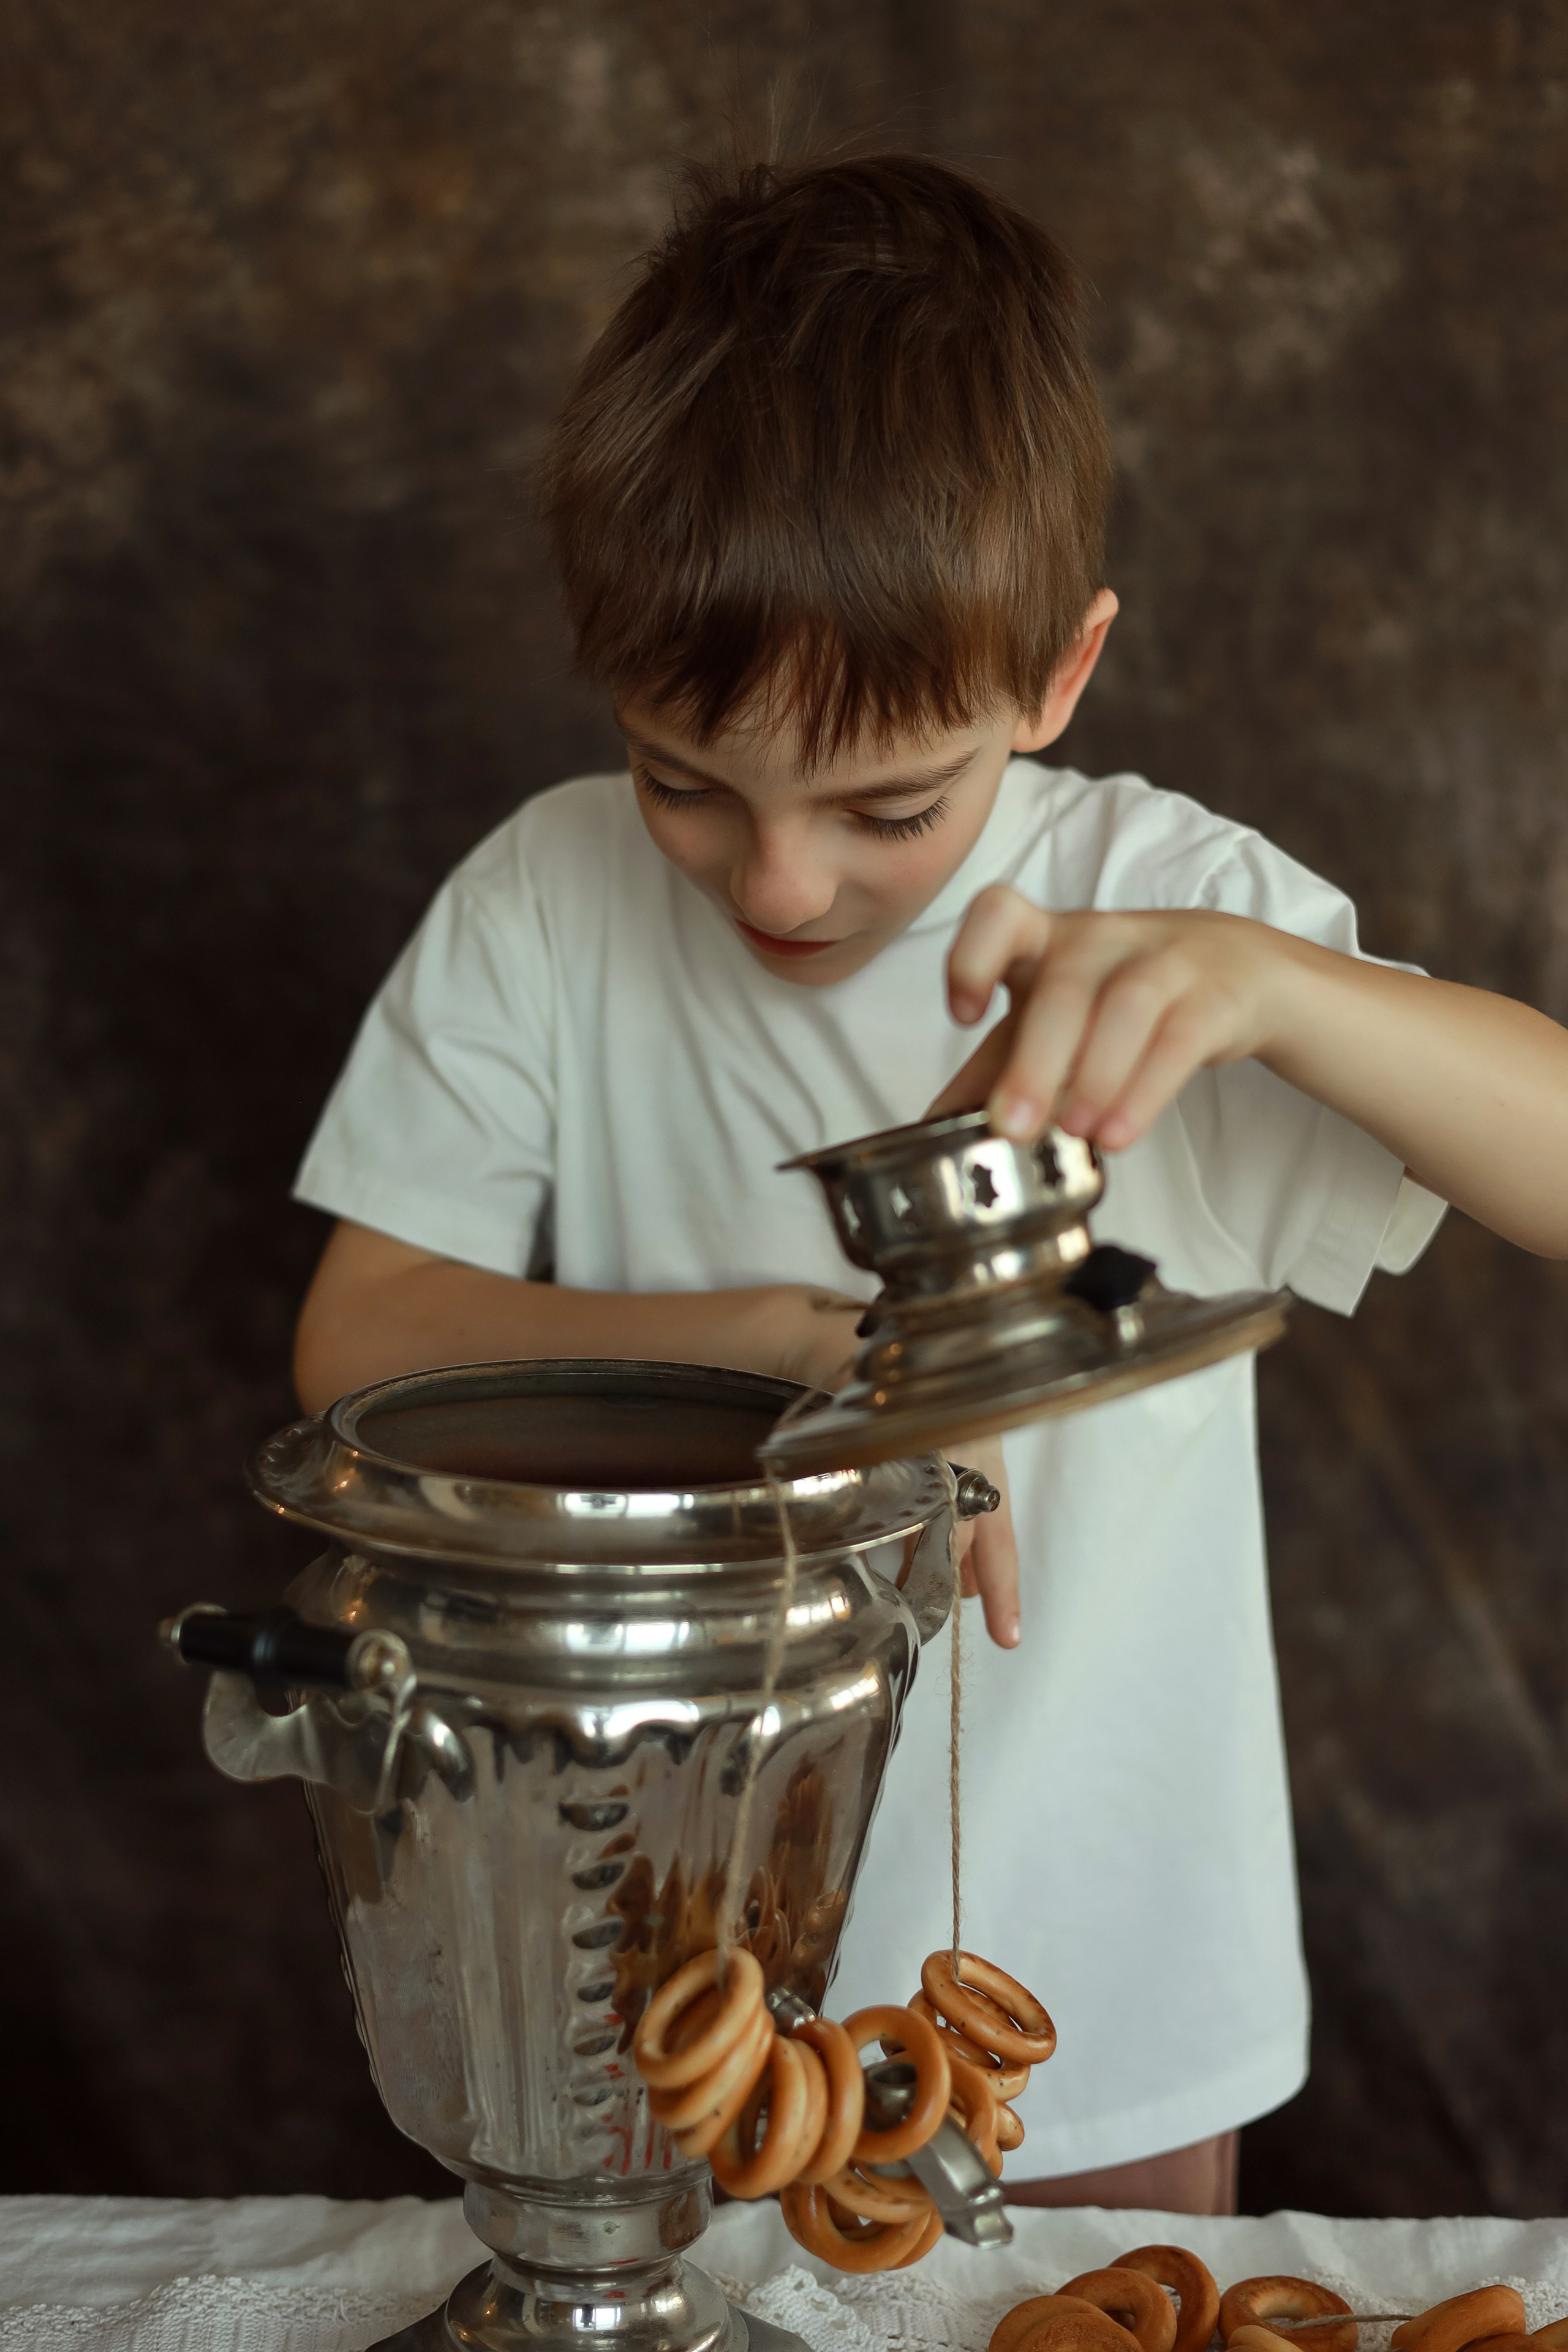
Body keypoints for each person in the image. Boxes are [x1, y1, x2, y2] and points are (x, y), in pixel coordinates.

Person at [290, 155, 1568, 2214]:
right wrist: (800, 1356)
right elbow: (363, 1334)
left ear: (1059, 675)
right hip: (667, 1957)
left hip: (1109, 1969)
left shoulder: (1168, 907)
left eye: (890, 807)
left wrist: (1282, 994)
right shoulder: (542, 901)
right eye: (684, 779)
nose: (783, 882)